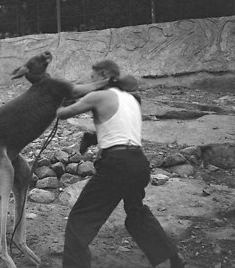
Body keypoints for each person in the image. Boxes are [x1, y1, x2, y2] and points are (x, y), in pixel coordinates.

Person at [56, 60, 185, 268]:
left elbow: (62, 114)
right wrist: (94, 137)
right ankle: (173, 257)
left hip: (116, 165)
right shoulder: (132, 99)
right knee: (136, 213)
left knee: (79, 221)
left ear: (103, 74)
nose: (91, 82)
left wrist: (58, 98)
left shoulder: (99, 95)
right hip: (139, 163)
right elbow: (120, 129)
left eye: (93, 77)